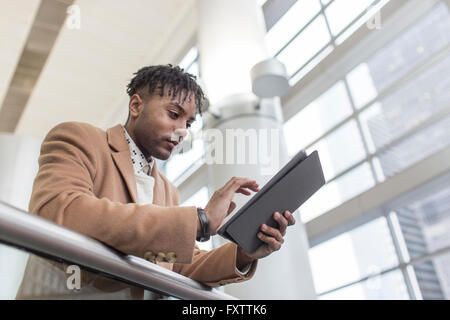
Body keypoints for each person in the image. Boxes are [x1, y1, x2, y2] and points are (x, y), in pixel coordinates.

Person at [16, 64, 295, 300]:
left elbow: (180, 266)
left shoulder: (167, 190)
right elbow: (59, 213)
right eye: (174, 115)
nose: (182, 131)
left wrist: (245, 253)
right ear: (136, 105)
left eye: (188, 123)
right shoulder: (79, 139)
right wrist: (200, 221)